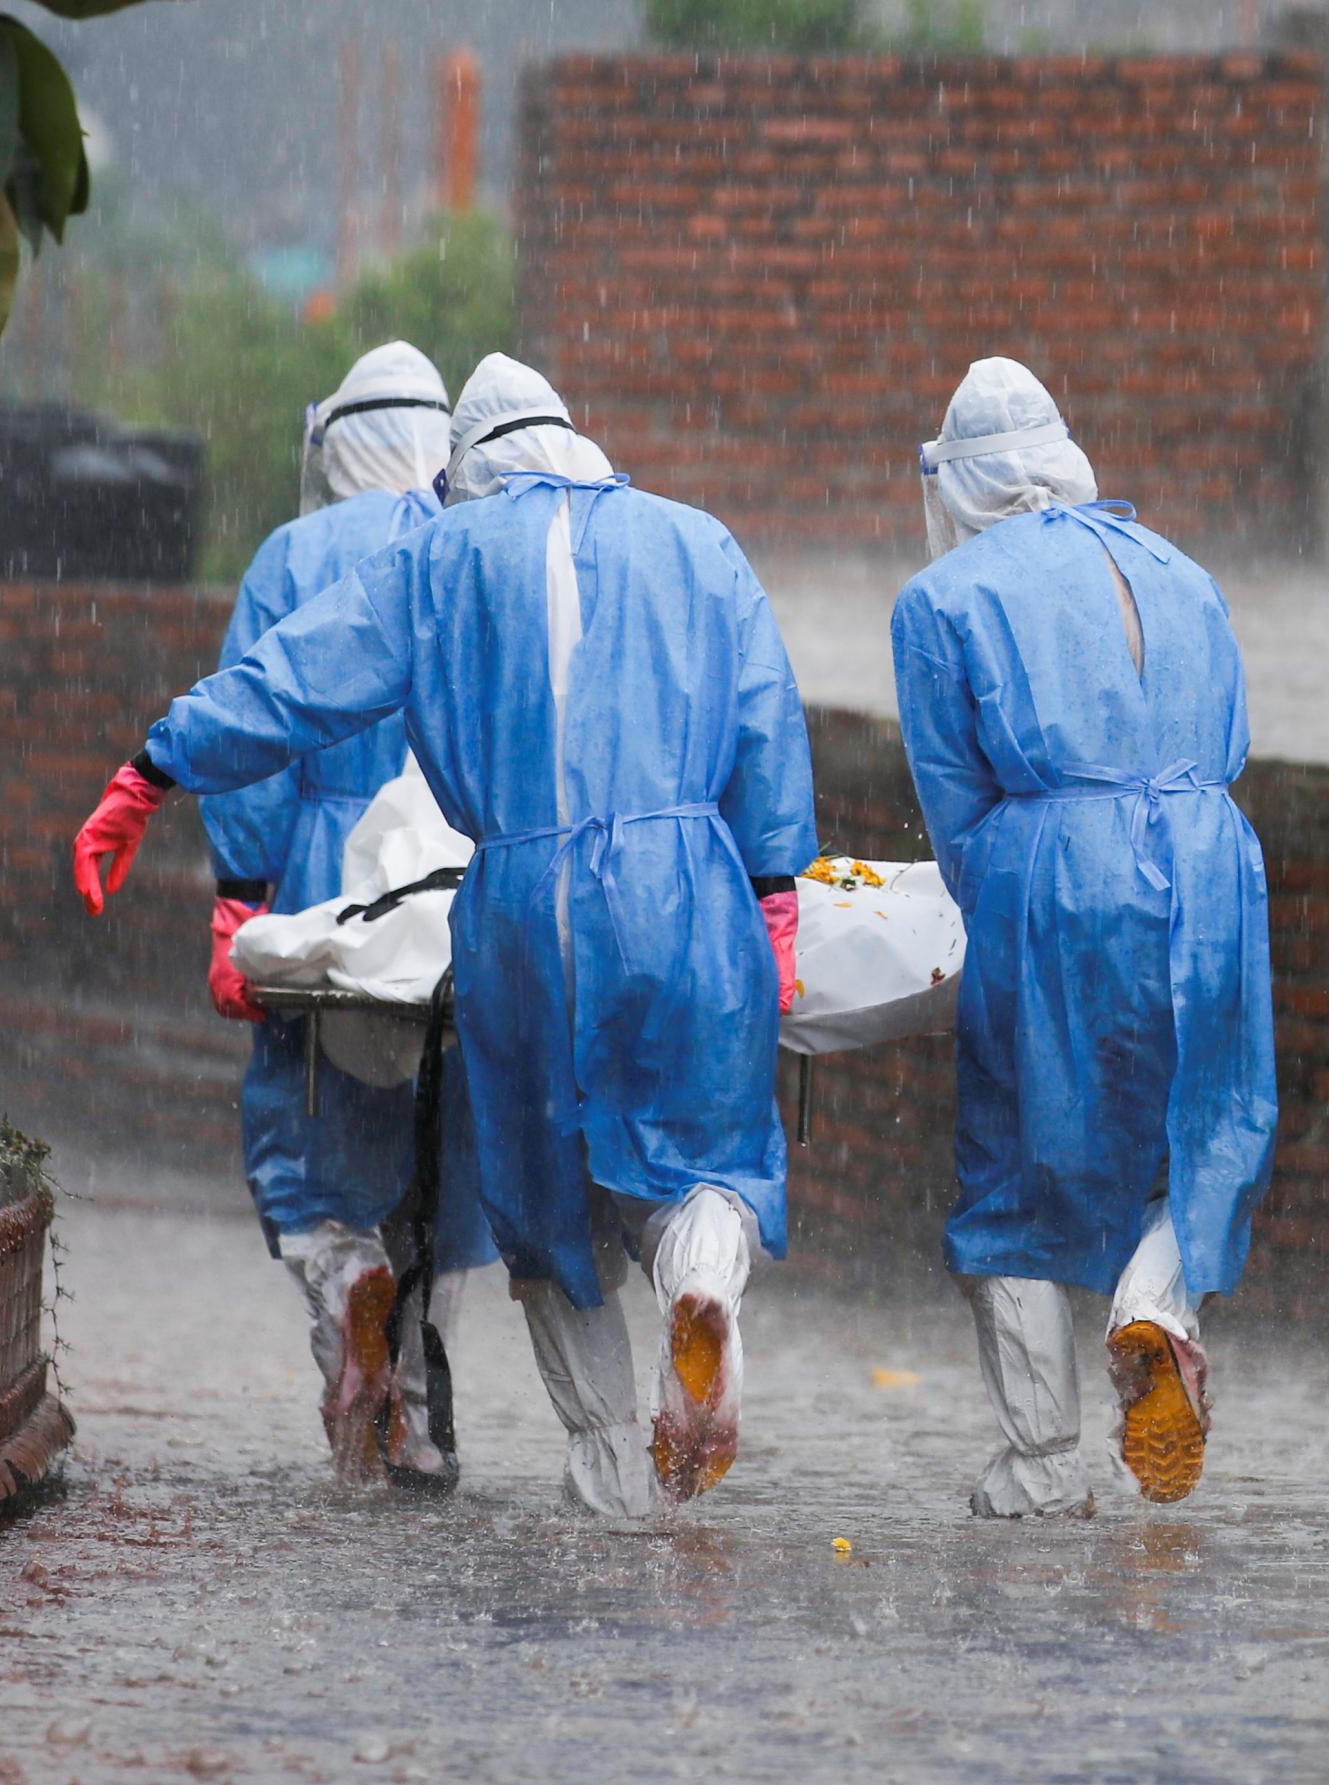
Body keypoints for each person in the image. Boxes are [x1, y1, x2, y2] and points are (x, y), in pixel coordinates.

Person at [73, 354, 816, 1518]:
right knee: (706, 1156)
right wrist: (774, 890)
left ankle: (613, 1470)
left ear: (467, 470)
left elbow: (294, 683)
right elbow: (767, 724)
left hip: (518, 896)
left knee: (541, 1200)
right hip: (685, 889)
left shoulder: (437, 555)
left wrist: (154, 762)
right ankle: (702, 1284)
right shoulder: (698, 543)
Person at [889, 357, 1277, 1517]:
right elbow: (1233, 736)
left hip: (1053, 865)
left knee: (1014, 1165)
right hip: (1210, 861)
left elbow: (955, 805)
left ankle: (1042, 1462)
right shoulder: (1182, 571)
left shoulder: (943, 600)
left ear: (956, 486)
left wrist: (1009, 908)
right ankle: (1156, 1303)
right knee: (1202, 1121)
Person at [198, 341, 498, 1490]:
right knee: (439, 1148)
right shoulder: (473, 548)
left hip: (327, 873)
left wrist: (240, 898)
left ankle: (343, 1294)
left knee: (312, 1143)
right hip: (455, 884)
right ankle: (419, 1417)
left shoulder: (292, 556)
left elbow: (248, 731)